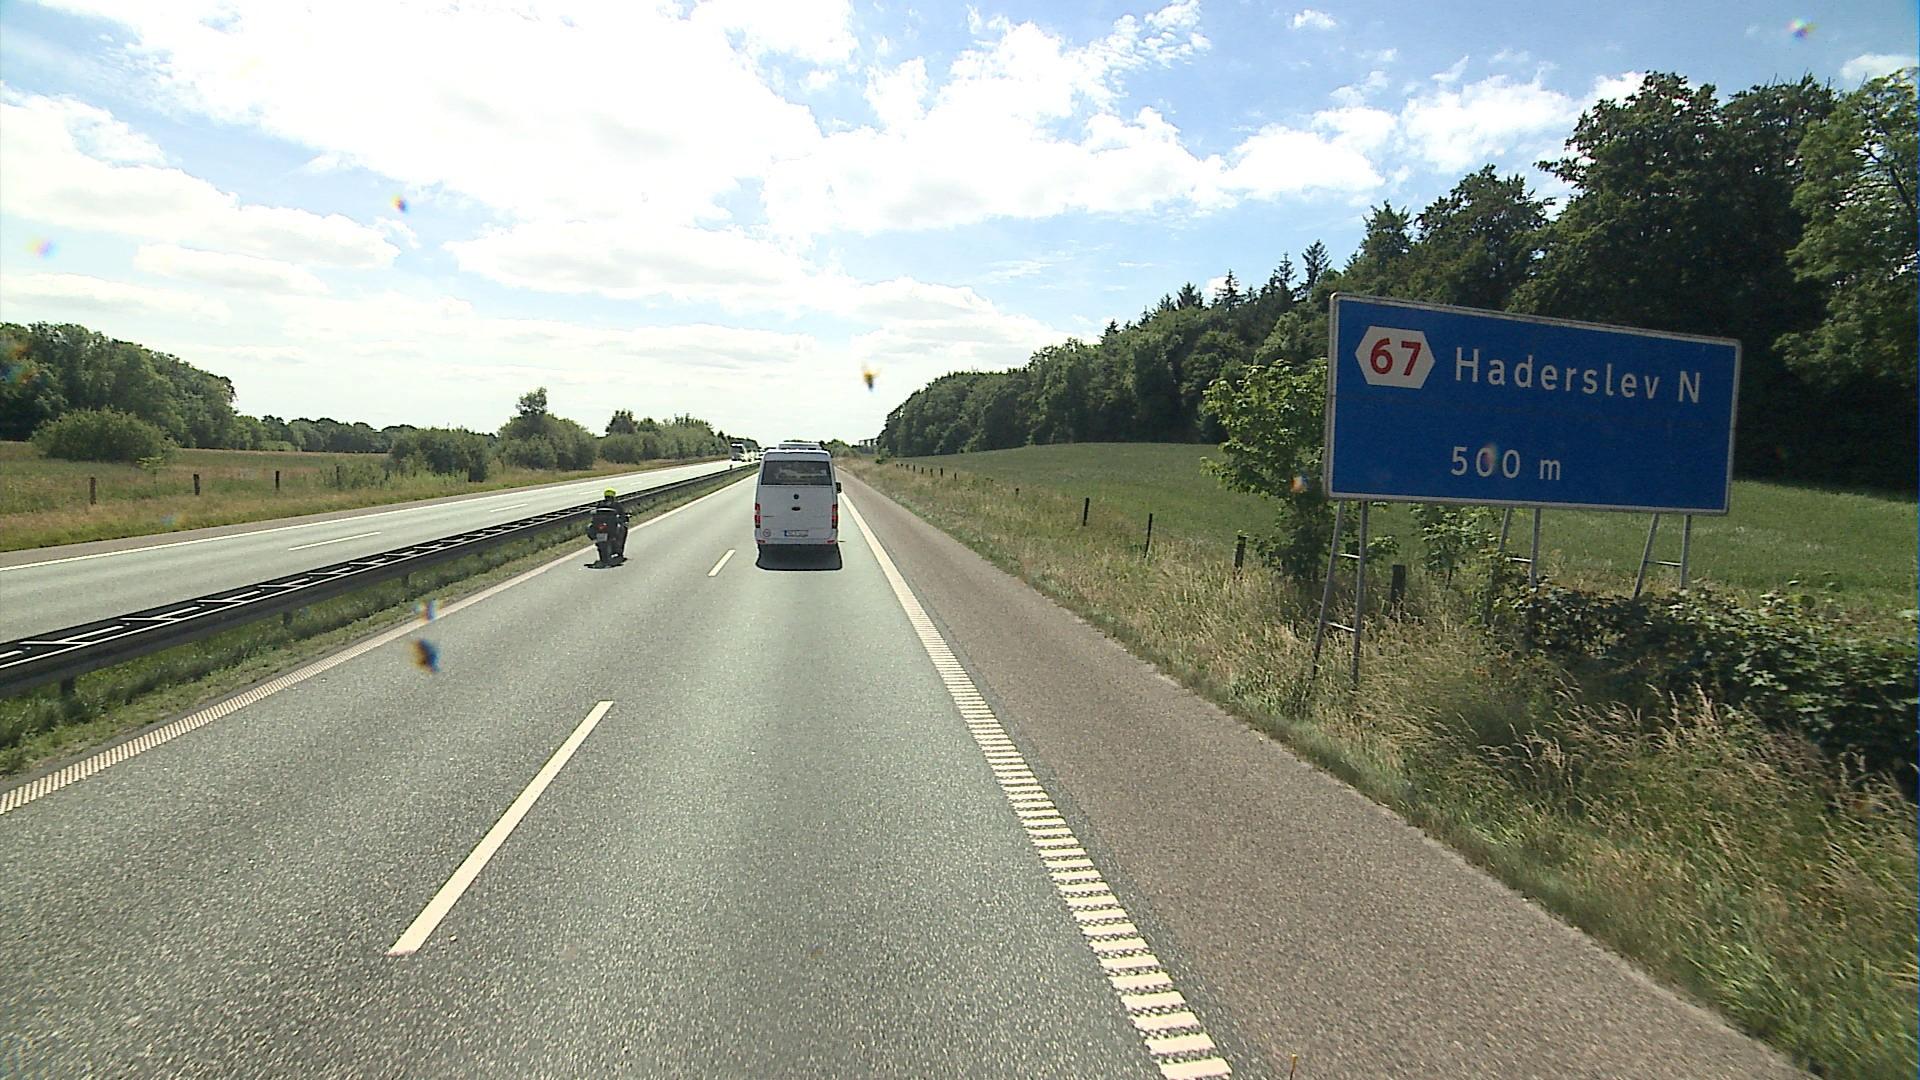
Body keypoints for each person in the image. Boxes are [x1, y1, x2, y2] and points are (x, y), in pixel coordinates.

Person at [589, 488, 630, 563]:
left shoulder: (600, 504)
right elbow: (622, 514)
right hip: (610, 527)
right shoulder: (616, 504)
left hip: (602, 527)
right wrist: (624, 518)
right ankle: (619, 549)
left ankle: (612, 548)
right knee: (623, 530)